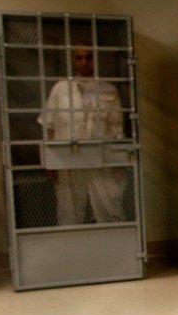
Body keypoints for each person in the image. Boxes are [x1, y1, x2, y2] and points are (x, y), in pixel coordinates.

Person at [39, 46, 127, 225]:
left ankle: (112, 240)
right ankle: (70, 242)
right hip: (67, 158)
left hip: (100, 158)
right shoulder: (60, 89)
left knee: (108, 207)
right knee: (69, 209)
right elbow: (49, 125)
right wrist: (49, 160)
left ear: (95, 59)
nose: (84, 62)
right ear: (73, 60)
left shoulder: (109, 90)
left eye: (89, 57)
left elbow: (117, 128)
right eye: (79, 58)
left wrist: (119, 160)